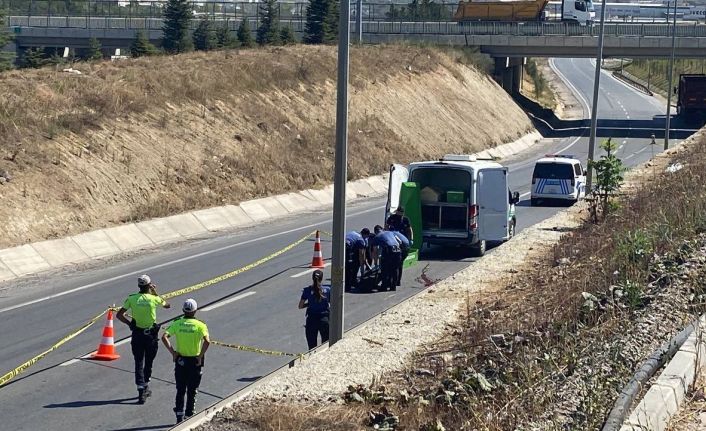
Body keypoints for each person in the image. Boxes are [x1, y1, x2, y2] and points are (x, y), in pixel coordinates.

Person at [116, 274, 171, 404]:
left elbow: (119, 315)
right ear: (149, 285)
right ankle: (145, 385)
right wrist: (154, 291)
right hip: (150, 335)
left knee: (138, 361)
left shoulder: (132, 298)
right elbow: (167, 305)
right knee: (149, 361)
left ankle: (141, 389)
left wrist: (130, 324)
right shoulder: (153, 298)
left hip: (137, 334)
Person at [161, 299, 210, 424]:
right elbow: (207, 341)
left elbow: (164, 337)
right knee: (192, 390)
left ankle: (179, 415)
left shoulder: (177, 323)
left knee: (180, 389)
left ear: (183, 310)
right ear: (195, 311)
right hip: (195, 361)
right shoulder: (200, 325)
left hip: (181, 360)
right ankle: (189, 415)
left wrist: (173, 353)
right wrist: (200, 356)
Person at [298, 269, 330, 349]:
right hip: (324, 319)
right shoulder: (328, 290)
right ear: (322, 278)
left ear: (312, 278)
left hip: (311, 320)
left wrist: (309, 304)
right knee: (326, 345)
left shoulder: (307, 290)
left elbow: (300, 306)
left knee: (312, 346)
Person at [371, 225, 403, 291]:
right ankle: (393, 287)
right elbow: (400, 241)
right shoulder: (390, 232)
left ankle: (384, 287)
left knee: (385, 270)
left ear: (375, 232)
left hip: (389, 251)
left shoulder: (377, 237)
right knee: (395, 269)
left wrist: (376, 263)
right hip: (398, 250)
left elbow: (375, 251)